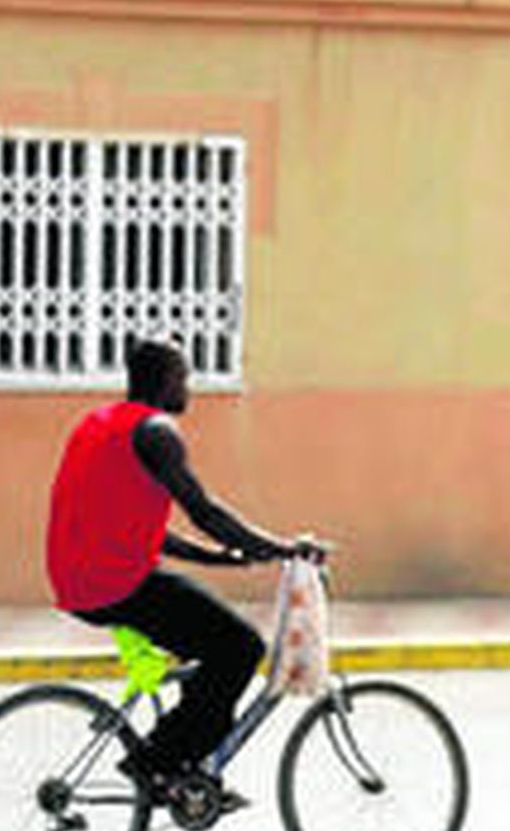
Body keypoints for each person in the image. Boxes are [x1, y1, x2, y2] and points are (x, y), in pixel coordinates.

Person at [45, 338, 317, 802]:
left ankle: (185, 766)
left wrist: (218, 558)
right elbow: (204, 510)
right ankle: (159, 763)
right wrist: (282, 548)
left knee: (211, 653)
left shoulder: (99, 423)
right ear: (167, 379)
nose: (187, 387)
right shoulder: (156, 431)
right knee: (240, 648)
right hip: (117, 583)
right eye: (184, 377)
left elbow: (142, 530)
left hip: (77, 578)